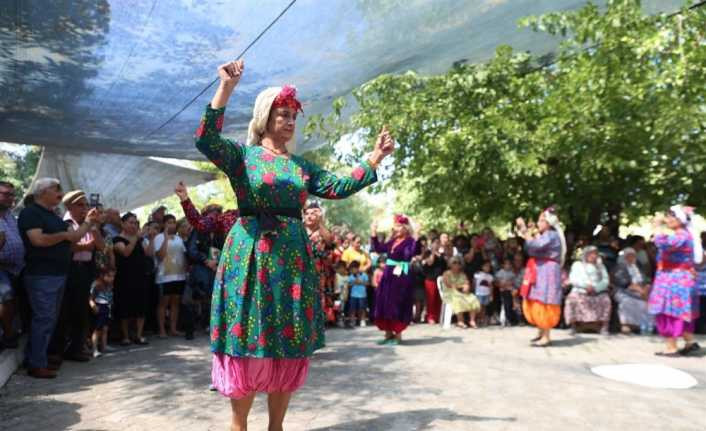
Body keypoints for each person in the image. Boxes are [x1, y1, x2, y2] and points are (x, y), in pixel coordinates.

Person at [196, 59, 393, 431]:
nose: (288, 121)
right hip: (250, 255)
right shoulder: (243, 158)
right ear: (264, 117)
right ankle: (239, 425)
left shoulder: (301, 166)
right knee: (247, 333)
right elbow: (206, 139)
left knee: (285, 338)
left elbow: (338, 186)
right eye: (281, 114)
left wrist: (374, 158)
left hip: (290, 260)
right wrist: (226, 88)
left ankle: (276, 427)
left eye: (292, 116)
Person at [18, 178, 98, 378]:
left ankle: (37, 357)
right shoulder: (31, 213)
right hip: (42, 274)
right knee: (44, 318)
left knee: (49, 319)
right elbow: (37, 240)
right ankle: (37, 364)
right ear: (42, 192)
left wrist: (89, 222)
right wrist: (62, 236)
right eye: (56, 190)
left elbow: (74, 236)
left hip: (57, 274)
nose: (60, 193)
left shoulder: (52, 215)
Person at [51, 190, 105, 363]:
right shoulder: (64, 223)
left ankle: (77, 348)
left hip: (85, 271)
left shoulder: (88, 223)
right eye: (81, 205)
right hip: (69, 270)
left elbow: (101, 246)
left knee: (81, 311)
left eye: (86, 205)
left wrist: (94, 228)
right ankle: (57, 351)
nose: (85, 209)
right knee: (64, 311)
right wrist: (84, 247)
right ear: (70, 206)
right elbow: (67, 247)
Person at [648, 206, 702, 356]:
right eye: (668, 216)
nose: (668, 219)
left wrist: (657, 226)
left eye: (672, 217)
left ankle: (672, 347)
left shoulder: (681, 236)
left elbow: (662, 243)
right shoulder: (687, 235)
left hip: (674, 281)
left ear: (681, 220)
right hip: (680, 279)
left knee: (669, 312)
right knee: (682, 313)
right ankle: (689, 343)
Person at [516, 207, 566, 347]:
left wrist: (525, 230)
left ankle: (546, 336)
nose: (539, 223)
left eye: (541, 220)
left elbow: (535, 246)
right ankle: (540, 332)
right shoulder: (546, 235)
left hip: (547, 271)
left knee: (545, 300)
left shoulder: (551, 235)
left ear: (549, 222)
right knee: (537, 298)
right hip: (540, 270)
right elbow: (531, 248)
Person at [371, 214, 420, 345]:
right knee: (384, 302)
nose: (396, 229)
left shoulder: (410, 241)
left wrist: (417, 236)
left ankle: (397, 336)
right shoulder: (392, 241)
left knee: (396, 303)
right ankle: (388, 335)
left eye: (399, 226)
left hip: (400, 276)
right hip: (388, 275)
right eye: (395, 227)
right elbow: (378, 248)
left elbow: (410, 254)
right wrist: (374, 232)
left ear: (405, 228)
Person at [113, 212, 155, 345]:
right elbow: (126, 252)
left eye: (136, 223)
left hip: (140, 277)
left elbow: (149, 253)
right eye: (131, 222)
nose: (134, 225)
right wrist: (136, 237)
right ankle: (125, 336)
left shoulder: (140, 239)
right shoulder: (117, 239)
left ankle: (138, 334)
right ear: (123, 224)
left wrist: (152, 238)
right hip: (124, 278)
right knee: (125, 307)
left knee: (141, 306)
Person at [565, 246, 611, 335]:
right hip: (580, 290)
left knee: (605, 300)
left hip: (597, 291)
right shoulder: (577, 265)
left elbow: (606, 281)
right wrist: (585, 286)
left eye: (595, 254)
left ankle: (603, 327)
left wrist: (596, 288)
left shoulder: (601, 266)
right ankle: (573, 326)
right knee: (572, 299)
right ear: (585, 254)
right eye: (591, 254)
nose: (593, 256)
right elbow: (573, 279)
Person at [154, 214, 187, 338]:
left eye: (173, 222)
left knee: (175, 303)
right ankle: (162, 330)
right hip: (164, 276)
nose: (171, 225)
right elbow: (160, 255)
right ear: (163, 224)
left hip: (179, 276)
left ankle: (173, 329)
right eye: (168, 222)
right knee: (163, 303)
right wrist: (166, 239)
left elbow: (184, 255)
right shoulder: (159, 238)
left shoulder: (178, 239)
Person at [0, 181, 24, 349]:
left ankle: (11, 331)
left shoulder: (9, 214)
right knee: (6, 296)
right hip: (1, 267)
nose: (11, 198)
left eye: (12, 195)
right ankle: (8, 335)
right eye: (6, 194)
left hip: (16, 267)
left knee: (15, 300)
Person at [613, 247, 651, 334]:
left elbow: (647, 280)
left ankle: (643, 325)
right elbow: (623, 282)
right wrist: (640, 291)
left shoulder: (638, 267)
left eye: (633, 256)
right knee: (627, 301)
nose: (631, 258)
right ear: (624, 257)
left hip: (641, 291)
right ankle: (626, 325)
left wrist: (646, 288)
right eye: (629, 256)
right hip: (624, 291)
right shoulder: (620, 267)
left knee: (647, 303)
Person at [441, 256, 480, 328]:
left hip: (461, 292)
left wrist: (467, 287)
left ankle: (472, 320)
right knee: (458, 298)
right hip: (450, 292)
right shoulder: (447, 273)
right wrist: (460, 286)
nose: (457, 264)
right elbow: (448, 285)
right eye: (454, 263)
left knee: (473, 298)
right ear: (450, 264)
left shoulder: (463, 274)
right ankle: (460, 321)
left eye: (458, 263)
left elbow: (467, 283)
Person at [89, 268, 115, 358]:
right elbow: (90, 298)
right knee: (97, 329)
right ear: (102, 275)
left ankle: (104, 346)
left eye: (113, 276)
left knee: (105, 328)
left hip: (107, 307)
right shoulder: (96, 285)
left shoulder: (110, 285)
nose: (111, 278)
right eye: (109, 276)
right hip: (99, 307)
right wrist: (93, 306)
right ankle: (94, 349)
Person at [421, 238, 446, 324]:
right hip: (430, 279)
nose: (436, 244)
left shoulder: (441, 254)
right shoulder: (428, 253)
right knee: (431, 299)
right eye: (435, 243)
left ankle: (438, 316)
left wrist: (438, 254)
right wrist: (433, 252)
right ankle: (430, 317)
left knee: (439, 299)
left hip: (440, 279)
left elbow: (444, 264)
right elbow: (430, 262)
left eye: (438, 243)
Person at [495, 258, 518, 326]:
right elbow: (496, 281)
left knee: (509, 305)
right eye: (506, 264)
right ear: (503, 265)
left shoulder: (511, 273)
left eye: (509, 264)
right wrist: (501, 284)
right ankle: (504, 320)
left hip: (509, 291)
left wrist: (509, 284)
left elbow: (513, 282)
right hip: (503, 291)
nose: (507, 265)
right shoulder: (500, 272)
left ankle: (510, 319)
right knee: (505, 305)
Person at [346, 261, 369, 328]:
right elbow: (348, 285)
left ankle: (362, 320)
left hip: (362, 295)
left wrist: (361, 282)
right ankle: (352, 321)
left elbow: (367, 283)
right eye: (351, 269)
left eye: (353, 269)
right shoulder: (350, 276)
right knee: (352, 309)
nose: (352, 271)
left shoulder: (364, 275)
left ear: (357, 268)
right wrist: (354, 282)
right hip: (353, 295)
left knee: (362, 308)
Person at [474, 260, 494, 326]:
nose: (487, 268)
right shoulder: (477, 274)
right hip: (478, 293)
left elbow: (491, 286)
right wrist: (474, 291)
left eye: (489, 267)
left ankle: (482, 319)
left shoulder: (490, 277)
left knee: (484, 307)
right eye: (486, 266)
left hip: (486, 293)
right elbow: (474, 283)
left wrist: (491, 295)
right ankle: (477, 319)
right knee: (478, 307)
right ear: (482, 267)